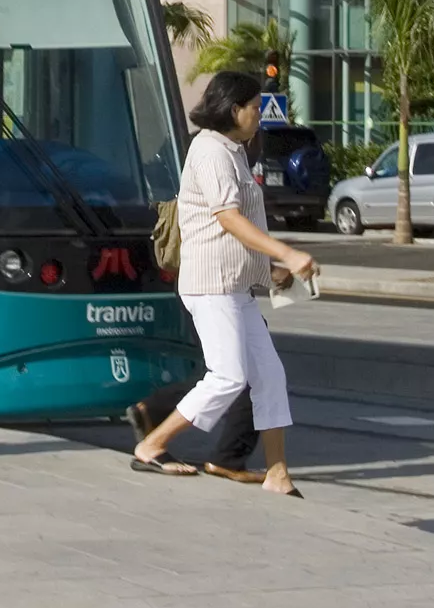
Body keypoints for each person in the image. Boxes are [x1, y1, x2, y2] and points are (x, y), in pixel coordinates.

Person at [127, 70, 314, 496]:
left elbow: (237, 229)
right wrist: (285, 252)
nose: (259, 116)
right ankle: (153, 444)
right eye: (254, 107)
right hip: (210, 285)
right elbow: (227, 219)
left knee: (269, 375)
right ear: (235, 109)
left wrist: (270, 271)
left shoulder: (233, 151)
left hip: (235, 286)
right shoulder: (210, 151)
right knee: (228, 376)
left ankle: (278, 473)